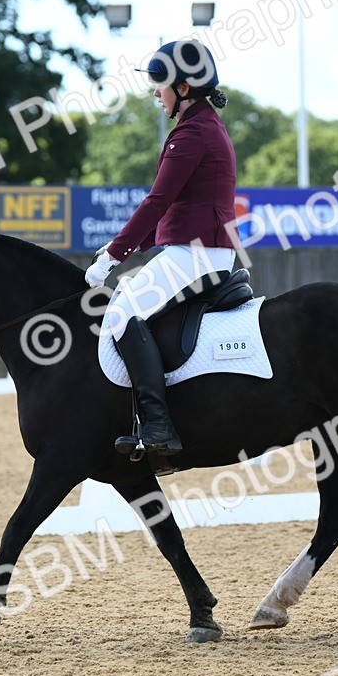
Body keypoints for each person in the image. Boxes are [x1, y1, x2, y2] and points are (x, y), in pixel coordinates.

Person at [84, 40, 237, 456]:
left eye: (160, 84)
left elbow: (157, 201)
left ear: (184, 89)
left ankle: (157, 427)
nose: (155, 92)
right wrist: (123, 250)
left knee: (122, 314)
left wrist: (115, 256)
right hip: (196, 249)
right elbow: (176, 212)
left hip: (197, 254)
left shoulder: (192, 135)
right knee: (128, 308)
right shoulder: (203, 127)